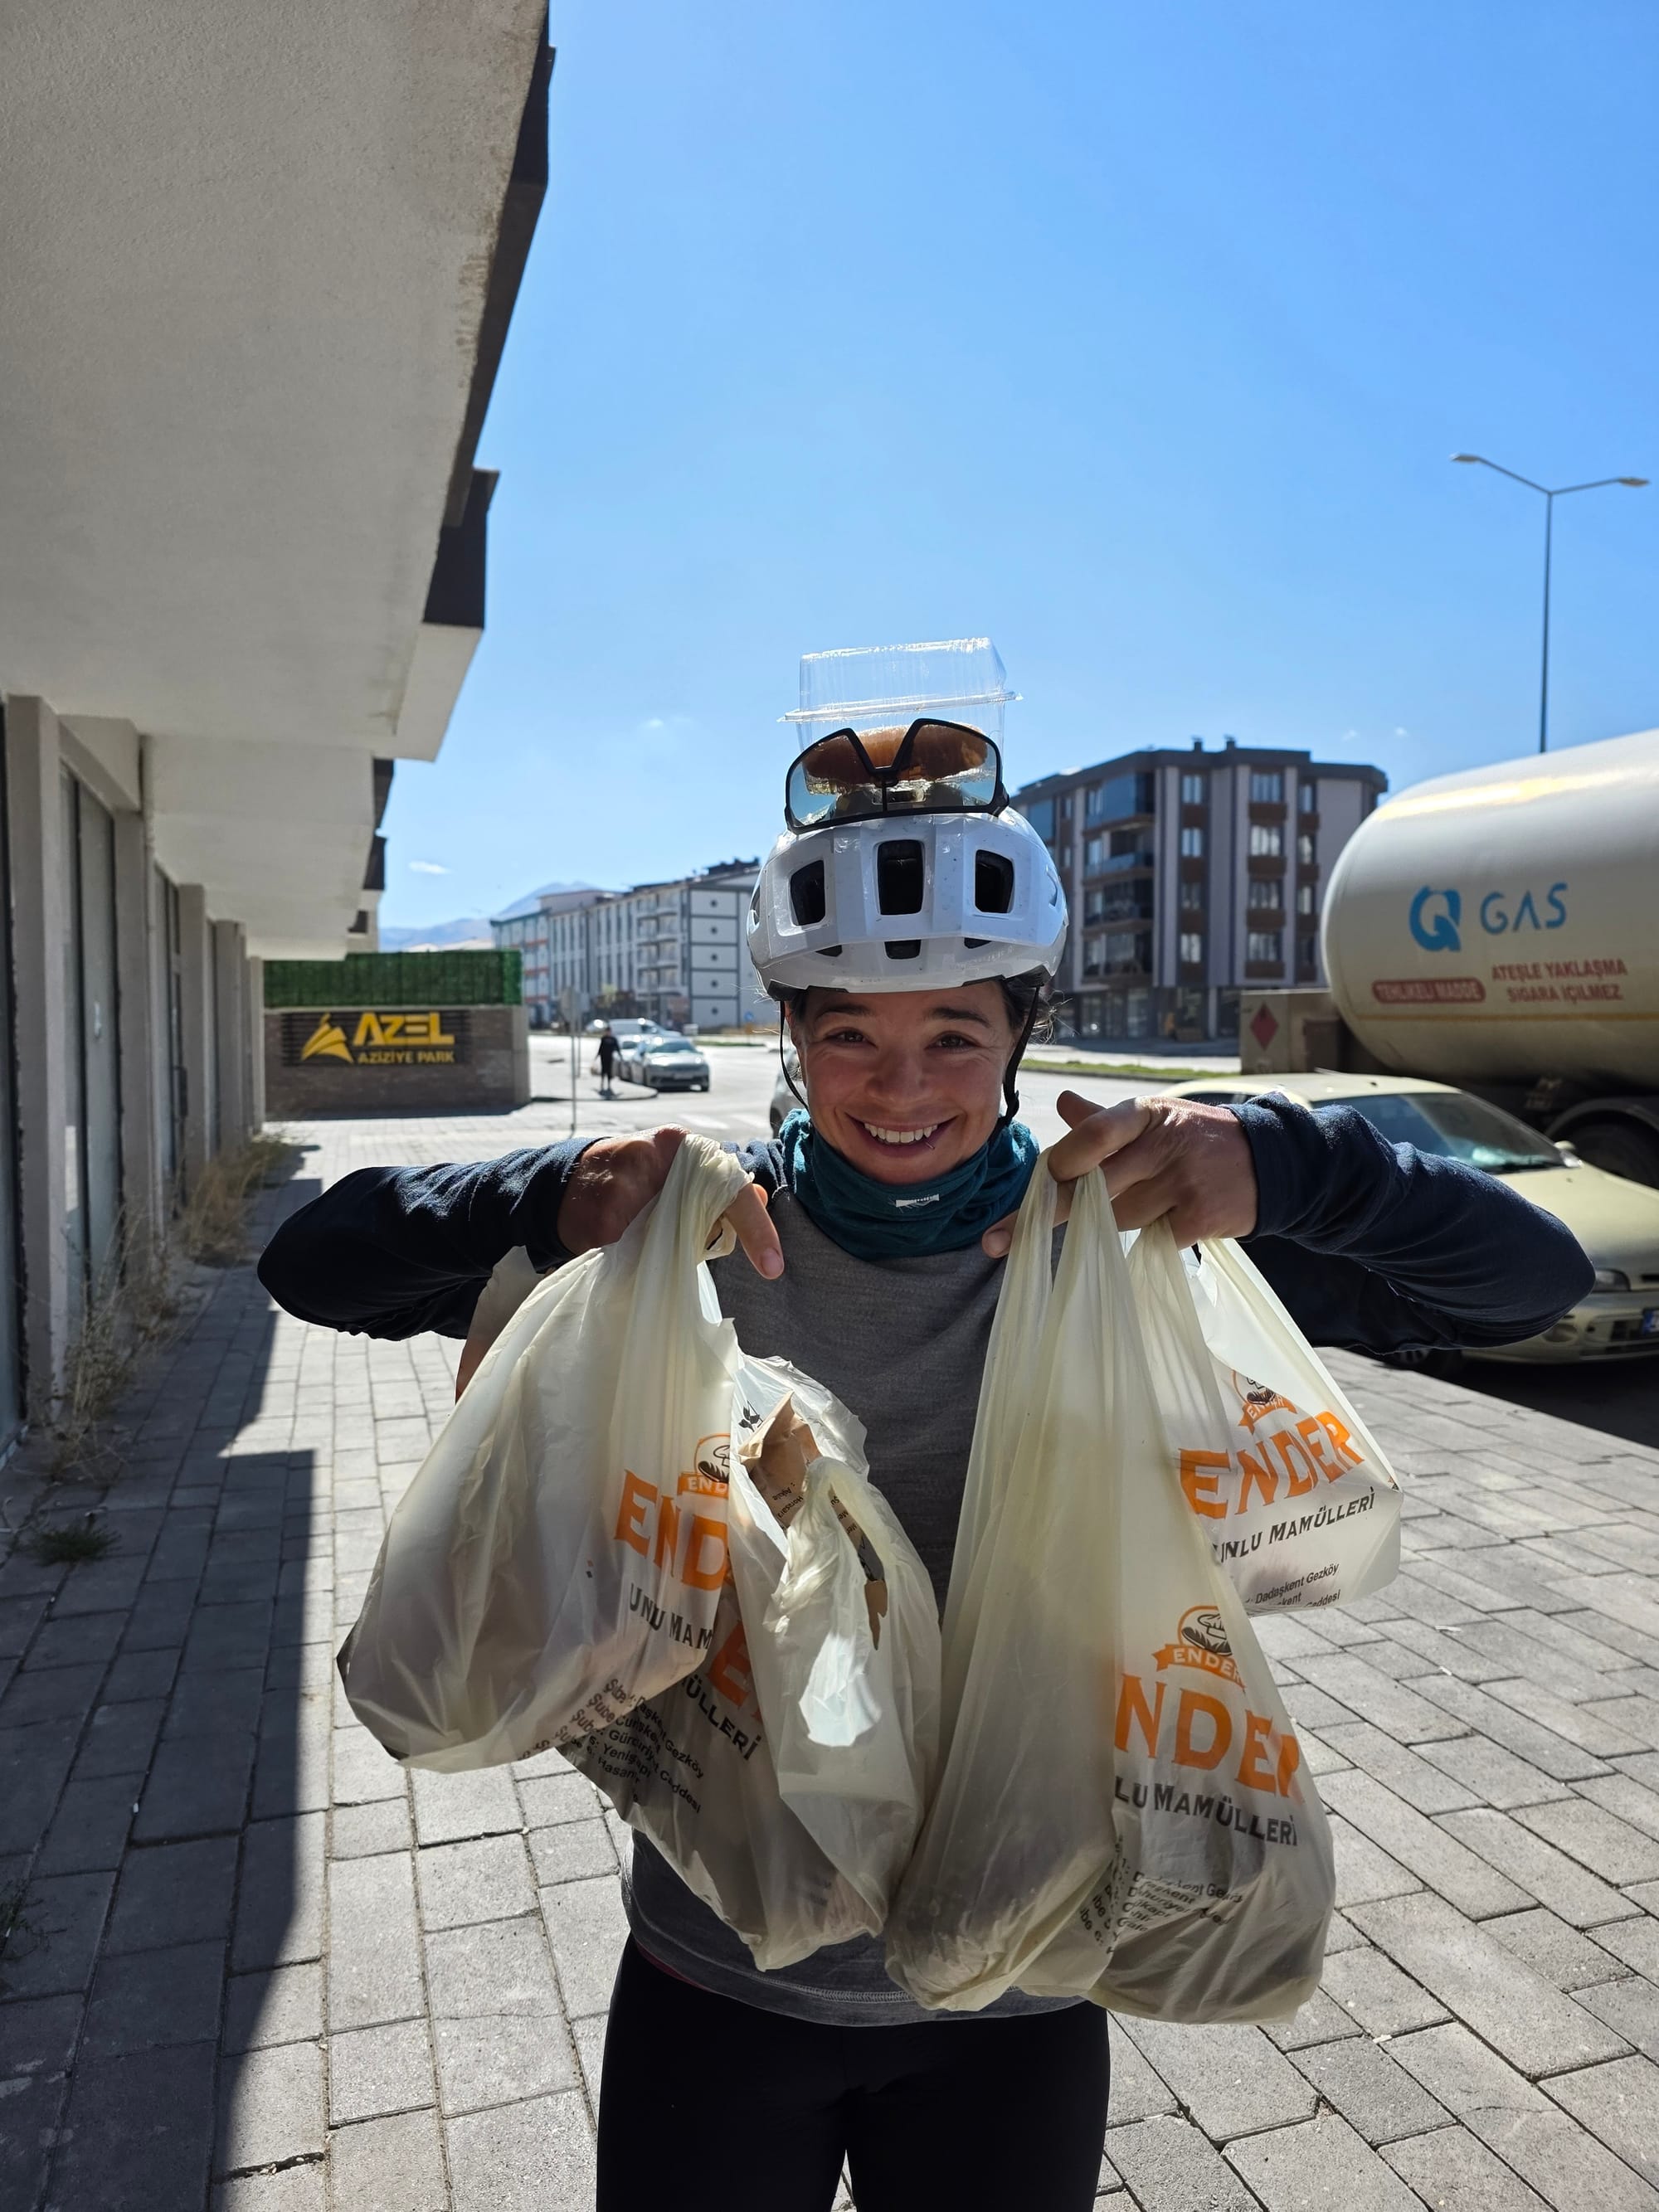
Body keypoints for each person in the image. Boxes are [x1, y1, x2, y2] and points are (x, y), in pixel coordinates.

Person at [259, 714, 1592, 2212]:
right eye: (850, 1036)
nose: (901, 1087)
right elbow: (314, 1263)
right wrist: (547, 1191)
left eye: (954, 1033)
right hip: (717, 1973)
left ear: (1021, 1032)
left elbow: (1526, 1284)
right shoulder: (691, 1234)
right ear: (791, 1034)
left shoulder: (1129, 1242)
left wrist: (1285, 1163)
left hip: (1018, 1985)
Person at [595, 1022, 620, 1098]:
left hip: (610, 1057)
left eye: (609, 1031)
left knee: (609, 1071)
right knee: (603, 1070)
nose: (608, 1033)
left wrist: (620, 1055)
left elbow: (617, 1047)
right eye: (607, 1031)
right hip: (603, 1057)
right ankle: (602, 1082)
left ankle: (609, 1084)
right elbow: (600, 1048)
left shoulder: (613, 1039)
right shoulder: (604, 1039)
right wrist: (597, 1055)